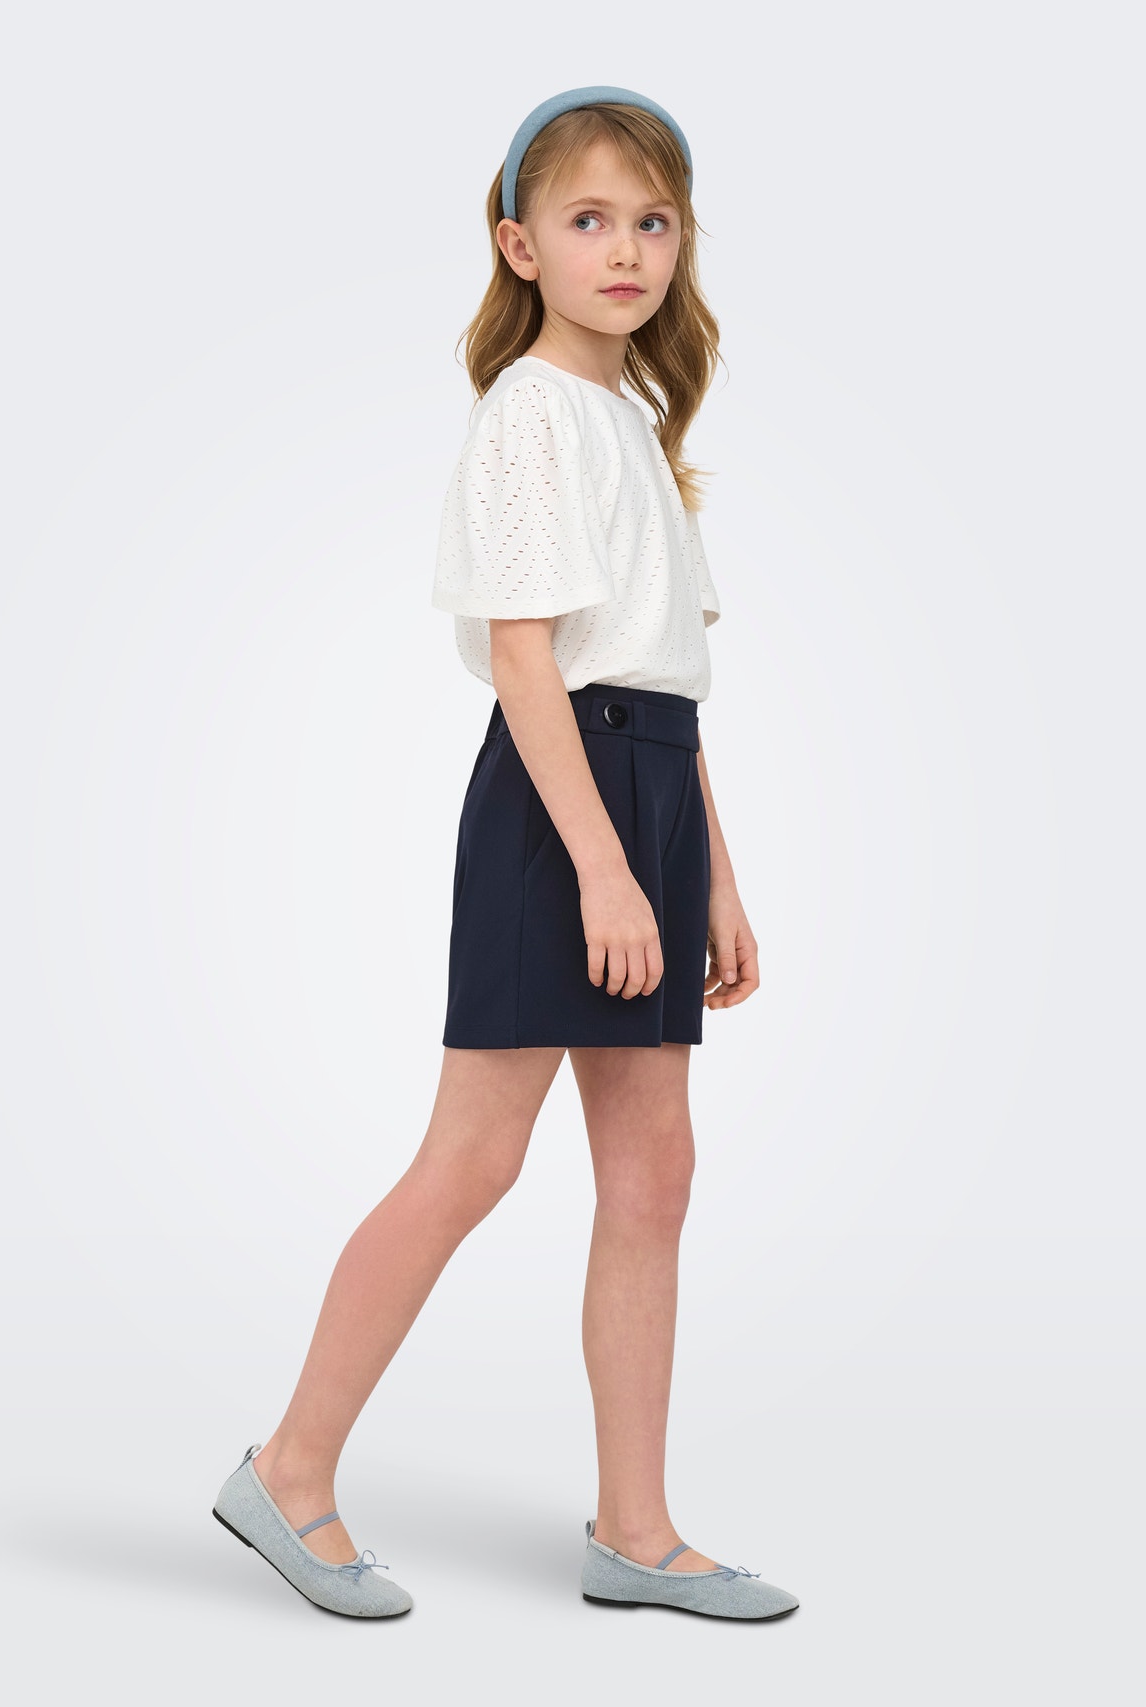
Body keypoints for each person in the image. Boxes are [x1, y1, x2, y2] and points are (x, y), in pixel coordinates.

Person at [211, 86, 800, 1623]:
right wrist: (604, 867)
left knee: (655, 1173)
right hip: (563, 800)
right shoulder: (530, 412)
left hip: (649, 785)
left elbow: (666, 677)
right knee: (473, 1158)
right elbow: (533, 663)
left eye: (653, 221)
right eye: (589, 219)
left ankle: (636, 1532)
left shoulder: (635, 424)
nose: (627, 249)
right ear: (519, 244)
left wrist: (713, 873)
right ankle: (287, 1471)